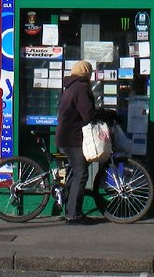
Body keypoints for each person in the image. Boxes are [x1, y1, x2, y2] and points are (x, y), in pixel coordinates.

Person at [57, 59, 97, 224]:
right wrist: (108, 114)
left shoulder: (71, 87)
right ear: (86, 72)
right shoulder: (81, 88)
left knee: (75, 173)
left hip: (66, 136)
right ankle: (73, 215)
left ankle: (70, 208)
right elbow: (88, 114)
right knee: (81, 173)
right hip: (72, 138)